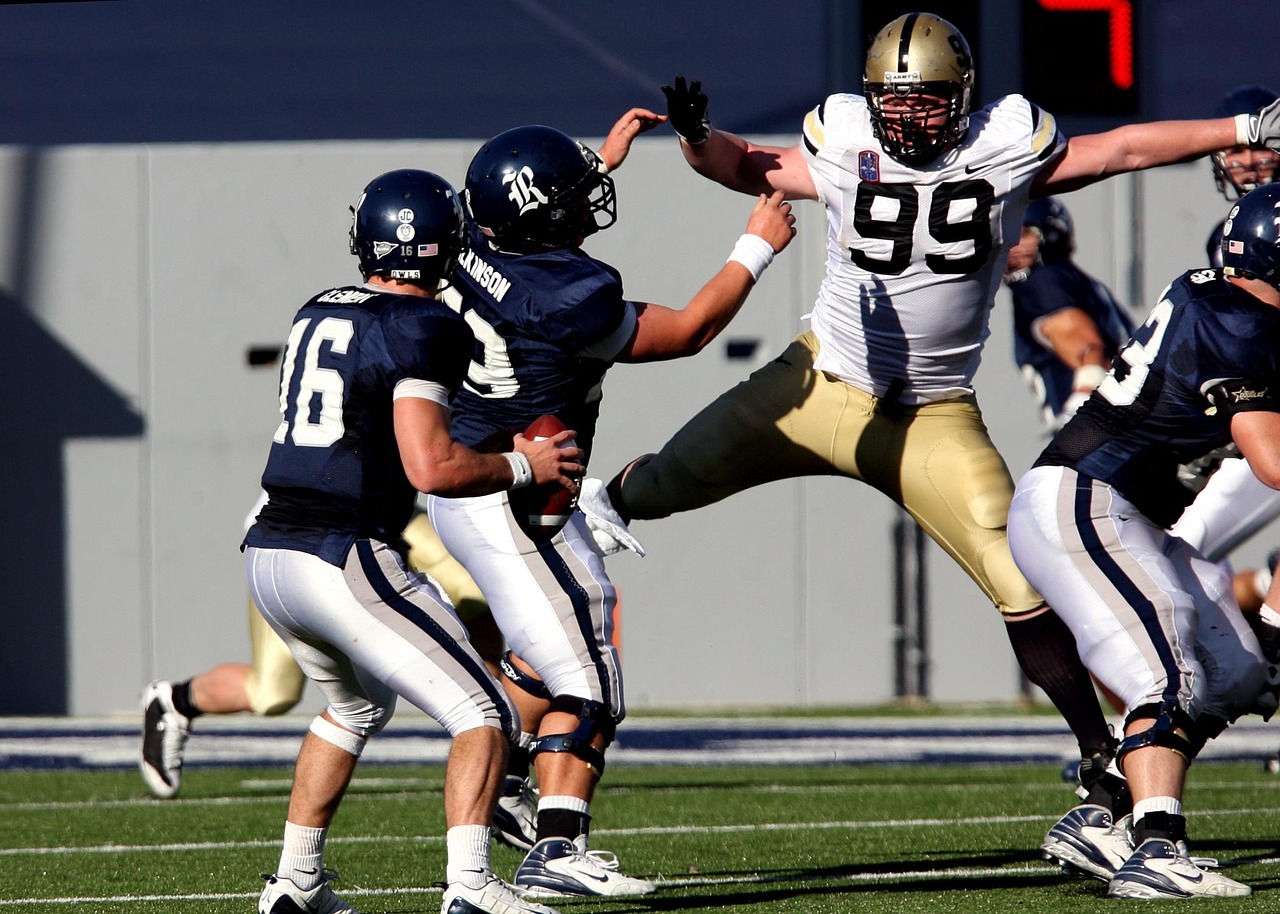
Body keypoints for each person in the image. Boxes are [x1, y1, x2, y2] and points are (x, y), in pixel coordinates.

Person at [582, 8, 1280, 861]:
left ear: (965, 99)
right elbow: (742, 165)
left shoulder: (1006, 143)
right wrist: (697, 136)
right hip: (815, 383)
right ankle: (591, 502)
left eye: (928, 102)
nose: (910, 117)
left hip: (933, 414)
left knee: (1021, 578)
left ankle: (1100, 758)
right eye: (895, 102)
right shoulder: (842, 140)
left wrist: (1240, 127)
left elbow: (1127, 147)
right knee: (661, 485)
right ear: (870, 99)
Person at [428, 110, 796, 897]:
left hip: (481, 480)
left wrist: (600, 160)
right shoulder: (571, 298)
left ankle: (516, 777)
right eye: (573, 197)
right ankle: (556, 845)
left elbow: (522, 220)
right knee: (593, 676)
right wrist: (756, 244)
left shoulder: (463, 242)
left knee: (554, 647)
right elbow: (692, 329)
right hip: (520, 491)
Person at [241, 167, 582, 914]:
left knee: (354, 710)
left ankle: (295, 883)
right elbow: (433, 466)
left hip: (269, 550)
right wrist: (525, 464)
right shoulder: (425, 327)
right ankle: (471, 886)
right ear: (447, 244)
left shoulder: (319, 306)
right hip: (341, 551)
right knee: (485, 708)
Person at [1006, 183, 1280, 898]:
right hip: (1085, 498)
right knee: (1167, 670)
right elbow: (1273, 461)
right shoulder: (1241, 324)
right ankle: (1159, 848)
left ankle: (1105, 816)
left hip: (1127, 513)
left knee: (1239, 671)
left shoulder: (1224, 298)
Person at [139, 496, 502, 802]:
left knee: (472, 591)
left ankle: (498, 724)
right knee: (271, 694)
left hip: (383, 516)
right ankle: (174, 701)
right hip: (296, 531)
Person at [1003, 197, 1134, 433]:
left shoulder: (1041, 283)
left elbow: (1090, 350)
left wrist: (1078, 413)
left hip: (1105, 431)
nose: (1009, 245)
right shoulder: (1068, 278)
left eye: (1021, 234)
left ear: (1048, 232)